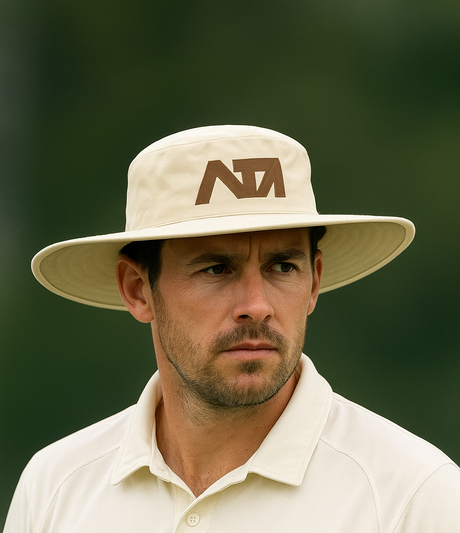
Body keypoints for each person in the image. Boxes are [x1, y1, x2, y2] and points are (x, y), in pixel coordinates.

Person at [4, 125, 460, 532]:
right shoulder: (53, 489)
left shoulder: (414, 497)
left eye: (282, 266)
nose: (257, 307)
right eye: (216, 269)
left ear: (314, 281)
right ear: (138, 290)